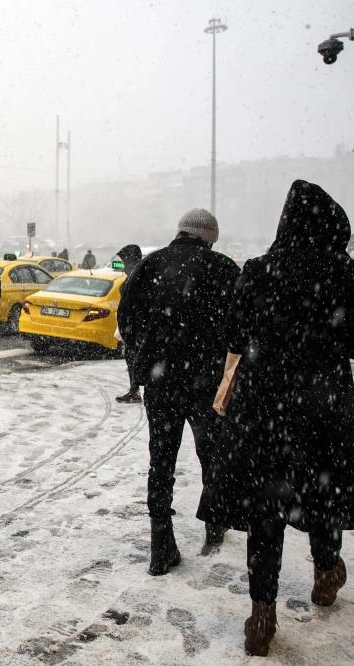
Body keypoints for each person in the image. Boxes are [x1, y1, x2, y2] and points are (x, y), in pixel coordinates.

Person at [198, 180, 353, 656]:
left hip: (264, 408)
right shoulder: (345, 275)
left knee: (267, 507)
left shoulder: (260, 271)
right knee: (320, 492)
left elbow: (235, 333)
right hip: (324, 407)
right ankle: (327, 569)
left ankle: (262, 611)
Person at [117, 208, 240, 576]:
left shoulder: (151, 265)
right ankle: (214, 523)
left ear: (180, 232)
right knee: (212, 454)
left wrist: (143, 355)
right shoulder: (223, 268)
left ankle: (161, 542)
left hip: (161, 380)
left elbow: (126, 316)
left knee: (161, 460)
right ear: (208, 236)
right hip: (206, 384)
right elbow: (242, 324)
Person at [114, 243, 143, 404]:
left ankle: (135, 390)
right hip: (131, 325)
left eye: (125, 260)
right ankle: (134, 390)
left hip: (135, 326)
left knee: (134, 358)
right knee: (131, 357)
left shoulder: (136, 275)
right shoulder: (134, 273)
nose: (123, 264)